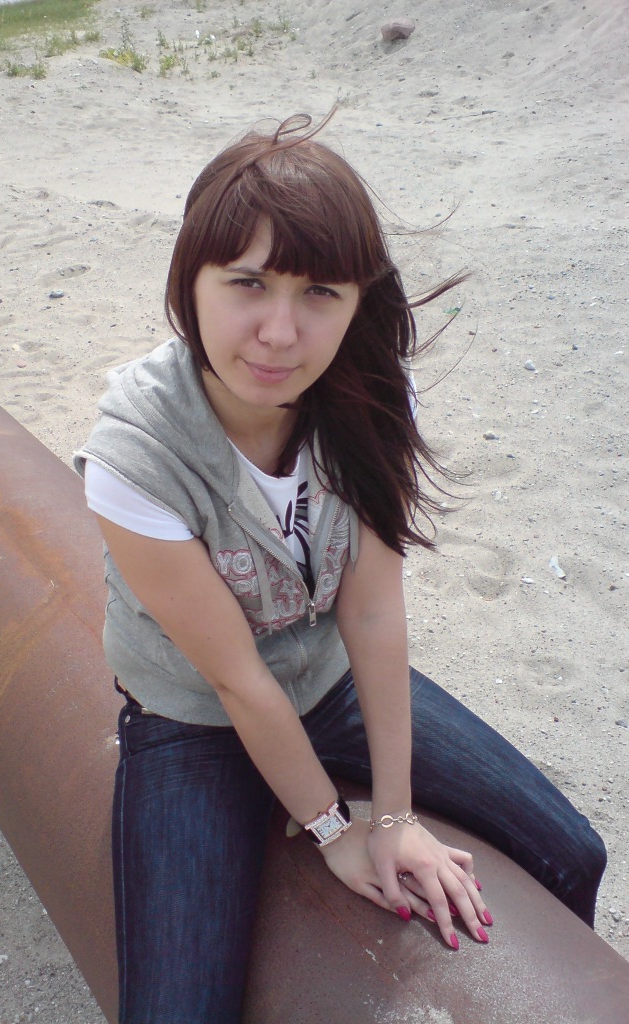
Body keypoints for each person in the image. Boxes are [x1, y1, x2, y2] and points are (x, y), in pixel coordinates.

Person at [74, 113, 606, 1024]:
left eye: (320, 291)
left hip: (327, 681)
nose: (279, 333)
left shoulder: (368, 396)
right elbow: (237, 679)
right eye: (247, 283)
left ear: (358, 300)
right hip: (194, 716)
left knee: (571, 852)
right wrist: (335, 831)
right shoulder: (136, 452)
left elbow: (371, 614)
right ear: (189, 282)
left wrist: (393, 819)